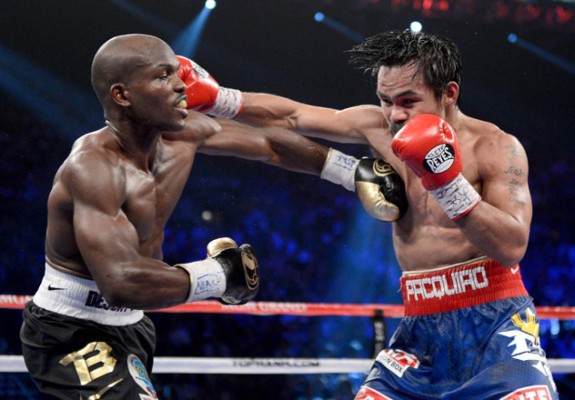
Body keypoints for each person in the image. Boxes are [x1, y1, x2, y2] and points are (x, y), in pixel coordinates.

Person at [182, 29, 559, 399]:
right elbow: (293, 116)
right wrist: (221, 99)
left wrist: (446, 181)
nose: (394, 115)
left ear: (449, 94)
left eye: (408, 101)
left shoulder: (497, 146)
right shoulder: (378, 127)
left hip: (496, 324)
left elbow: (512, 246)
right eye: (385, 100)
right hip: (420, 328)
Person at [19, 33, 375, 399]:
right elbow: (121, 282)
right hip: (70, 330)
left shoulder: (185, 134)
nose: (180, 84)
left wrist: (351, 171)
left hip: (133, 325)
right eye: (162, 76)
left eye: (177, 72)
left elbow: (269, 143)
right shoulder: (93, 167)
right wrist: (219, 276)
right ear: (123, 95)